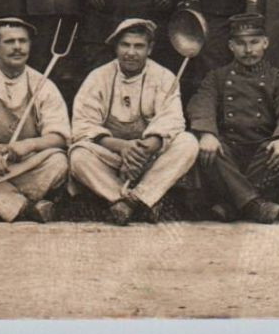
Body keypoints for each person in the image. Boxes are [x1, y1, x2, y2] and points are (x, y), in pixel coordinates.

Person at [69, 18, 199, 224]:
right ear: (116, 47)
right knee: (78, 155)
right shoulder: (98, 77)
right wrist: (123, 147)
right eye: (125, 45)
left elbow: (172, 120)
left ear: (150, 49)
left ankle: (136, 200)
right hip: (112, 156)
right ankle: (121, 198)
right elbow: (83, 124)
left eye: (138, 46)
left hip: (149, 157)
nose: (131, 52)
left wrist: (145, 148)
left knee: (188, 143)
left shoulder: (164, 77)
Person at [187, 11, 279, 223]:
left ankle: (232, 205)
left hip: (262, 153)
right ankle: (254, 206)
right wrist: (207, 133)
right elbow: (201, 102)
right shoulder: (217, 77)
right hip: (229, 151)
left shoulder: (278, 79)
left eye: (254, 42)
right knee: (209, 147)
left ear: (265, 43)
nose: (248, 50)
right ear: (231, 46)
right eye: (241, 43)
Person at [0, 17, 71, 223]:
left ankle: (0, 201)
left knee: (59, 162)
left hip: (28, 162)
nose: (17, 47)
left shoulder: (44, 84)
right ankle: (28, 207)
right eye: (9, 42)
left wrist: (30, 144)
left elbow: (60, 136)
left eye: (23, 41)